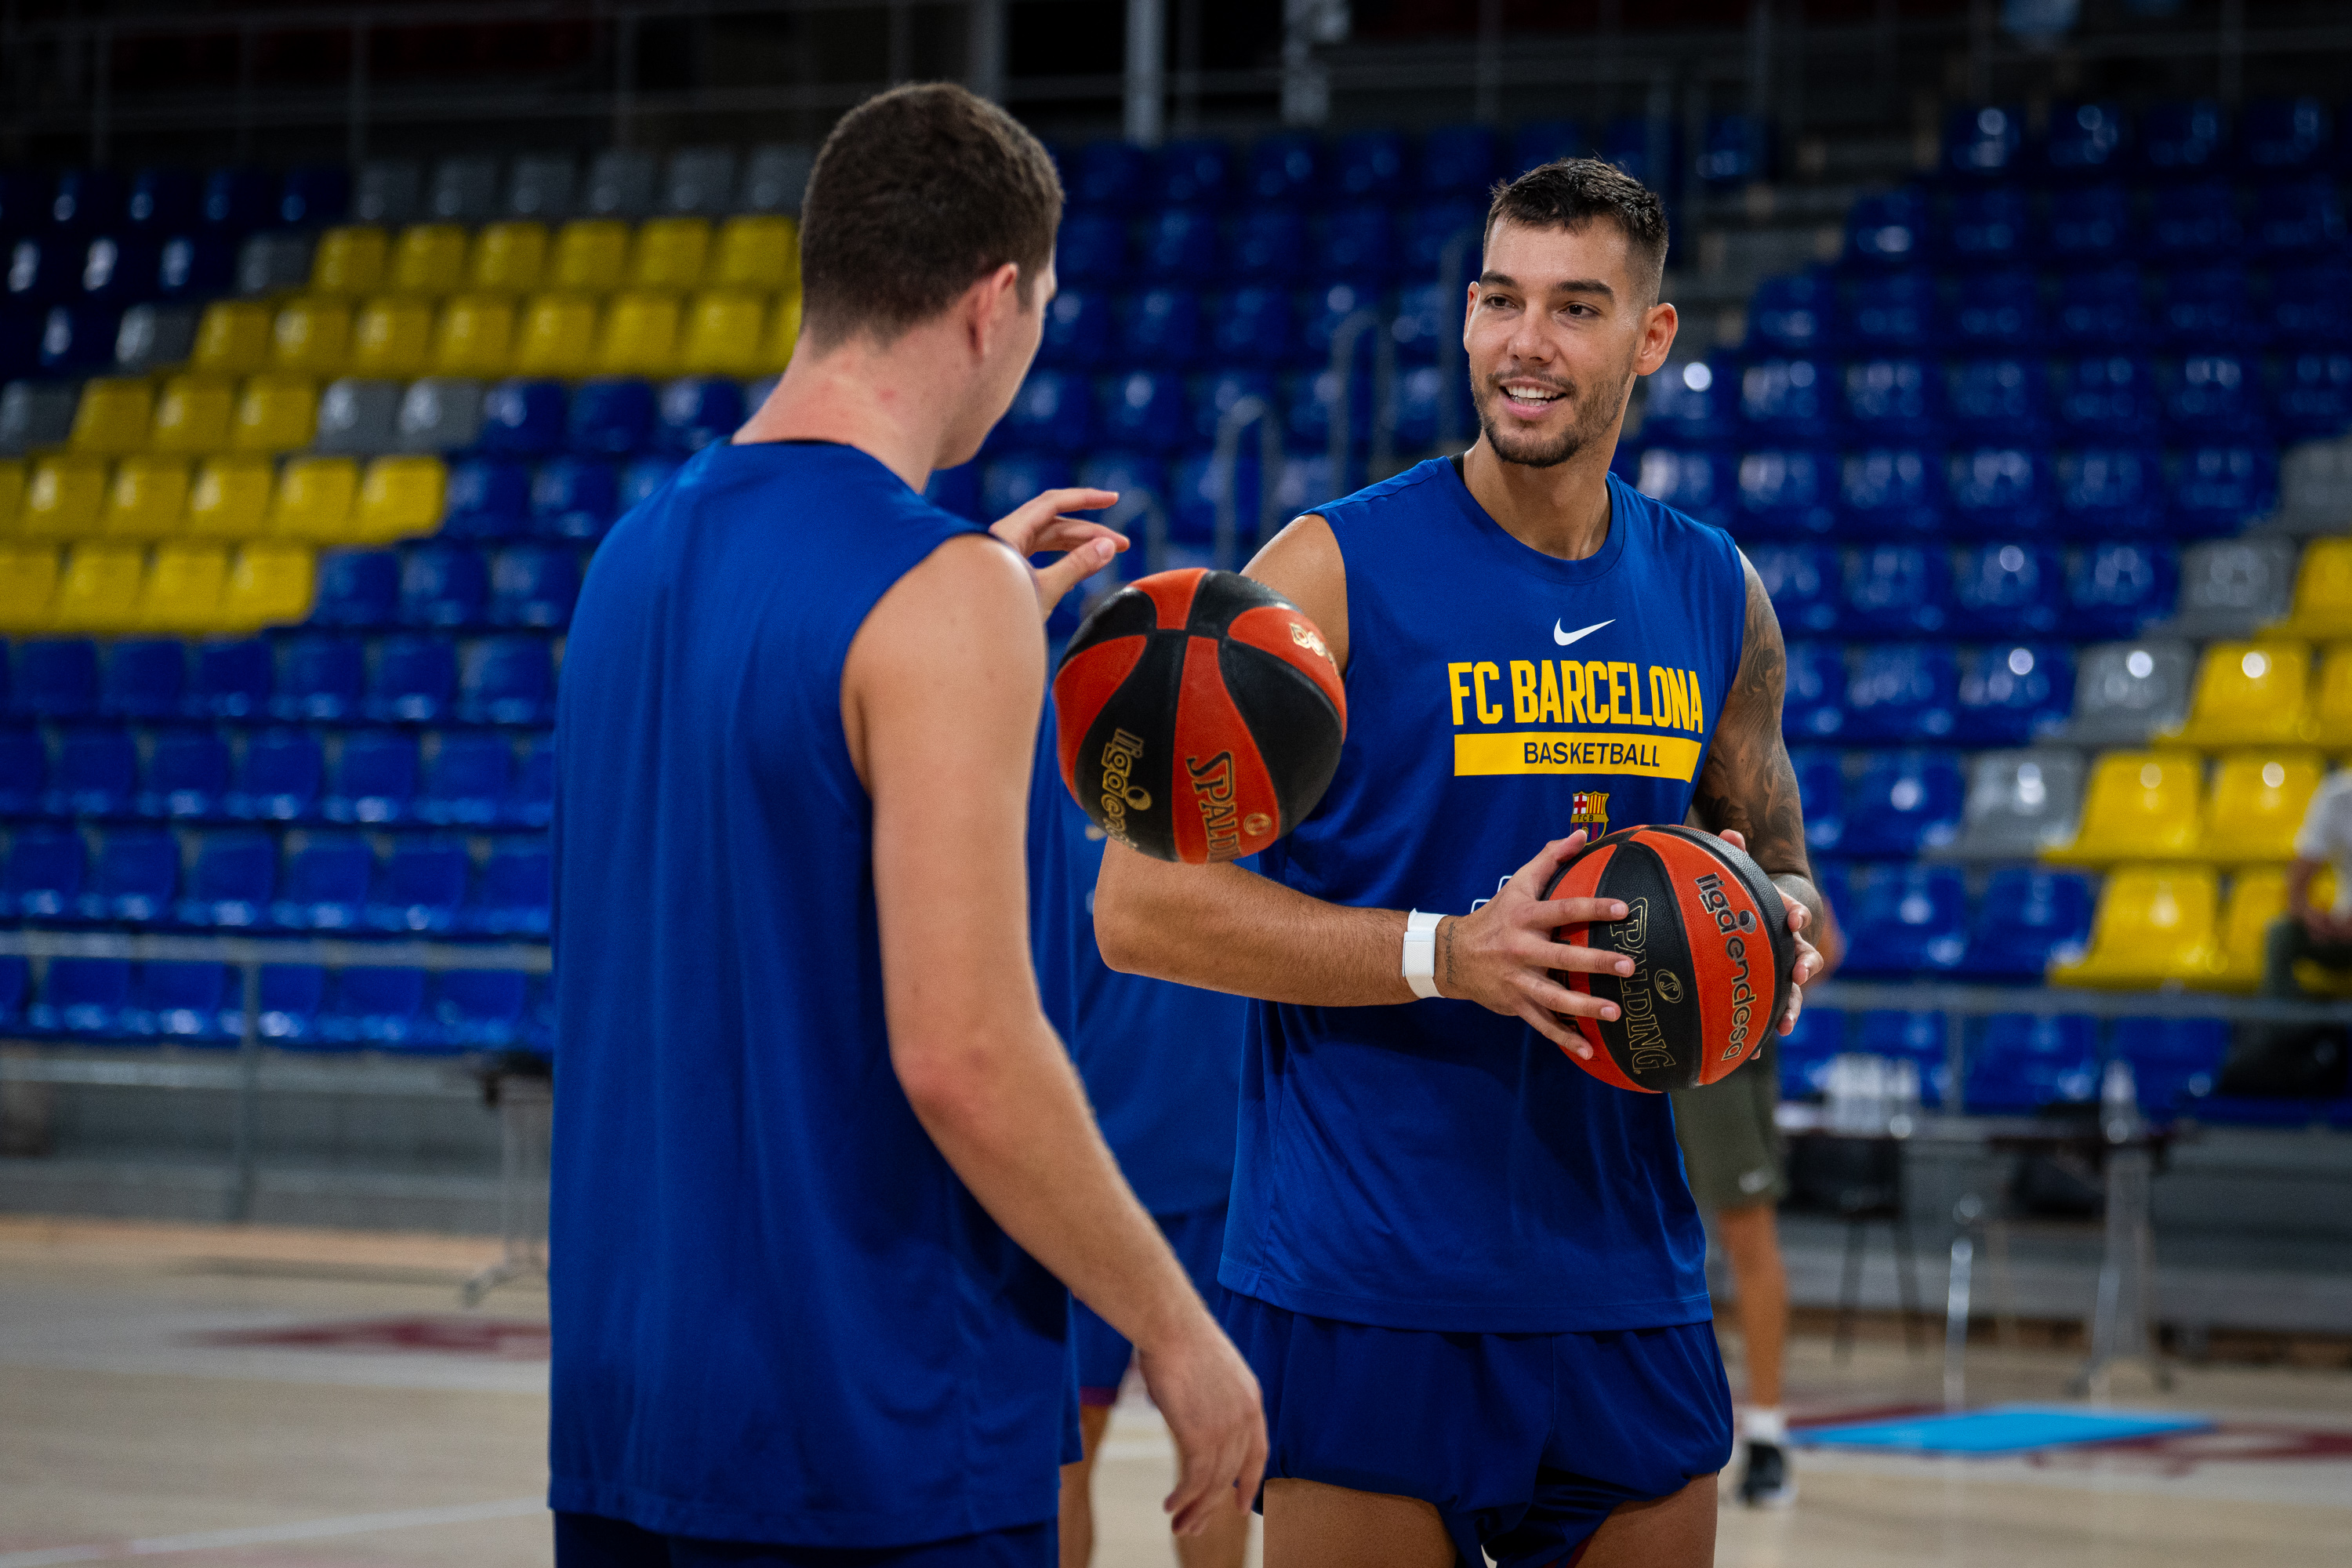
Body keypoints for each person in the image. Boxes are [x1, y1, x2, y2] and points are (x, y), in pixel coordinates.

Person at [546, 82, 1264, 1568]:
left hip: (631, 1426)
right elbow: (964, 1058)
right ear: (996, 300)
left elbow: (770, 826)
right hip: (872, 1435)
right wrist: (1177, 1333)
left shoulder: (629, 563)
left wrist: (955, 621)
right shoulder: (939, 602)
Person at [1093, 158, 1827, 1568]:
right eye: (1499, 300)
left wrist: (1772, 938)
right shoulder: (1327, 571)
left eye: (1574, 307)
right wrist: (1449, 954)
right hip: (1369, 1281)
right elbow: (1139, 905)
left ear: (1651, 339)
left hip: (1627, 1278)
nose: (1525, 344)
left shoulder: (1714, 592)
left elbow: (1778, 860)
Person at [1029, 707, 1251, 1568]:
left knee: (1221, 1445)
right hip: (1086, 1181)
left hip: (1220, 1176)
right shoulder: (1047, 793)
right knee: (1067, 1445)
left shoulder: (1255, 795)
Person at [1666, 887, 1842, 1510]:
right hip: (1626, 1036)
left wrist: (1744, 997)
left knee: (1748, 1236)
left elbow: (1826, 943)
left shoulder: (1733, 800)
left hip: (1720, 1047)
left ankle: (1766, 1434)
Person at [2267, 766, 2352, 997]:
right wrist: (2308, 915)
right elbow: (2297, 881)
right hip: (2341, 928)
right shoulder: (2337, 796)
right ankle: (2283, 1024)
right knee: (2281, 935)